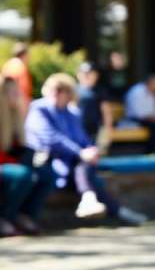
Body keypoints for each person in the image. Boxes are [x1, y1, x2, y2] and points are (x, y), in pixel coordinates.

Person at [24, 73, 147, 225]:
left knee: (85, 167)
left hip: (74, 165)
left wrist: (91, 150)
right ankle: (113, 208)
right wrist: (81, 152)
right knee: (89, 175)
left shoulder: (72, 113)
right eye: (54, 89)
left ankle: (91, 200)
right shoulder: (39, 108)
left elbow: (84, 141)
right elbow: (50, 138)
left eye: (61, 89)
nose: (56, 93)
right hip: (50, 161)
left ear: (69, 93)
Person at [0, 78, 47, 235]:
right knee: (23, 175)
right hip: (5, 165)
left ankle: (25, 215)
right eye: (12, 92)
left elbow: (18, 148)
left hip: (12, 163)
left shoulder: (16, 116)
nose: (17, 95)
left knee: (47, 173)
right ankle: (5, 217)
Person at [124, 73, 155, 154]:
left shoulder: (152, 92)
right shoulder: (136, 92)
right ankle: (150, 151)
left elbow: (154, 110)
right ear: (150, 83)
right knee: (153, 126)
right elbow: (139, 114)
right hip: (134, 118)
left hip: (149, 118)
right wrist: (154, 118)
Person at [76, 62, 113, 149]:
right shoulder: (74, 90)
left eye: (90, 73)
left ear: (96, 75)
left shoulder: (100, 91)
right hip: (79, 127)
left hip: (96, 128)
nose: (87, 75)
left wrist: (108, 129)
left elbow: (106, 111)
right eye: (84, 73)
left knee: (98, 151)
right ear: (78, 75)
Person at [2, 42, 33, 118]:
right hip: (17, 105)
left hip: (5, 102)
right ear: (24, 54)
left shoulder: (7, 64)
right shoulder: (21, 67)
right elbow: (23, 90)